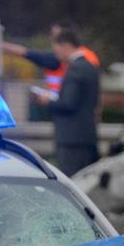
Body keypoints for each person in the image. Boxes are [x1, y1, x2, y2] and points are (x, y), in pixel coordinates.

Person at [33, 27, 100, 177]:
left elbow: (68, 104)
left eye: (57, 50)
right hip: (87, 136)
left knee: (71, 181)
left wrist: (47, 101)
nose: (56, 55)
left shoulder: (75, 69)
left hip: (71, 139)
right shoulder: (90, 67)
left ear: (66, 45)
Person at [3, 23, 99, 99]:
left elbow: (26, 52)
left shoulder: (73, 61)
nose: (52, 41)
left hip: (67, 108)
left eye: (55, 37)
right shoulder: (88, 56)